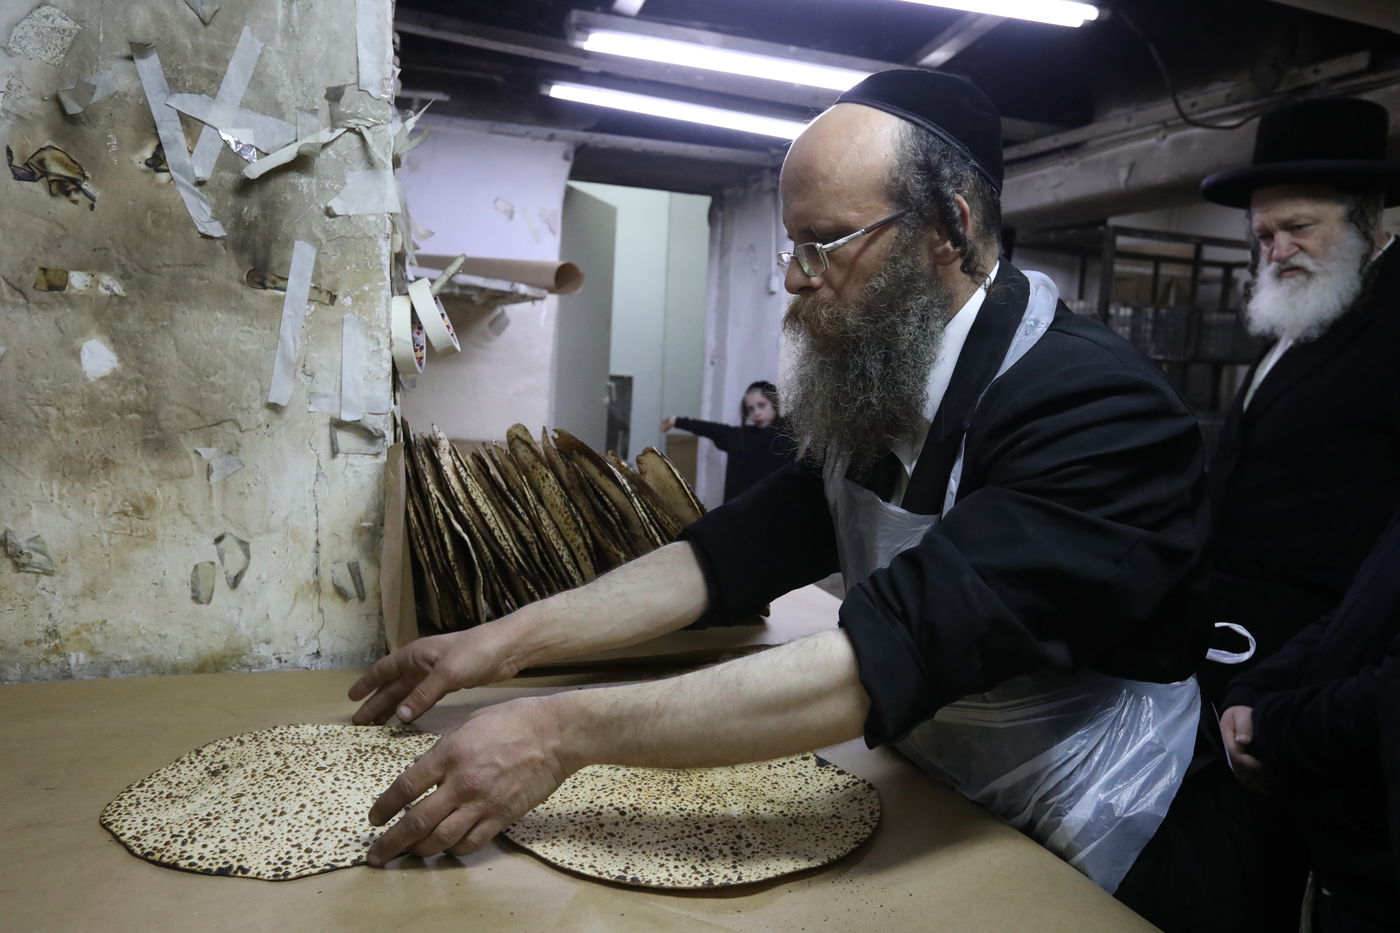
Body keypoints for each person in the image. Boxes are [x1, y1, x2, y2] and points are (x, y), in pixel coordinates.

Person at [348, 70, 1211, 925]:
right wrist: (501, 644)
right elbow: (724, 557)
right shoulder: (888, 379)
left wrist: (555, 733)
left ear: (952, 224)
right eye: (790, 246)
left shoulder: (1098, 413)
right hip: (949, 788)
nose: (797, 279)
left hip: (1099, 823)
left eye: (826, 242)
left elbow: (890, 653)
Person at [1197, 96, 1400, 702]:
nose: (1277, 250)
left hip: (1327, 660)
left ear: (1366, 220)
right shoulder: (1315, 308)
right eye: (1264, 234)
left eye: (1299, 228)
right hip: (1244, 634)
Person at [1219, 505, 1400, 932]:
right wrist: (1256, 689)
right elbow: (1359, 611)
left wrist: (1267, 727)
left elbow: (1386, 696)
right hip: (1340, 854)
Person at [660, 380, 796, 501]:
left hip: (774, 512)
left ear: (774, 403)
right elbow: (711, 429)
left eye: (761, 405)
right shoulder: (740, 436)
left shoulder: (788, 431)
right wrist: (675, 421)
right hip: (739, 514)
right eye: (751, 408)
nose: (756, 412)